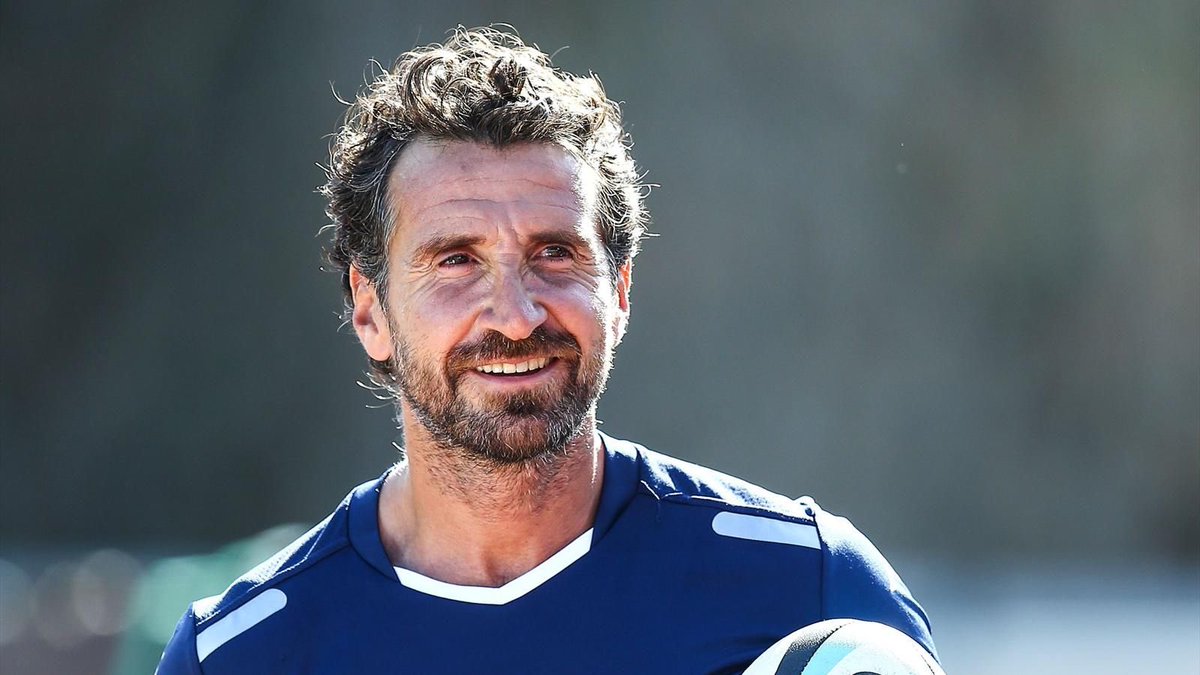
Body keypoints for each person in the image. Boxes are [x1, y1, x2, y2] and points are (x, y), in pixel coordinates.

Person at [156, 27, 937, 674]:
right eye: (455, 260)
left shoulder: (810, 590)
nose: (517, 314)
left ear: (620, 288)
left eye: (555, 253)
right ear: (371, 310)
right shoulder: (240, 654)